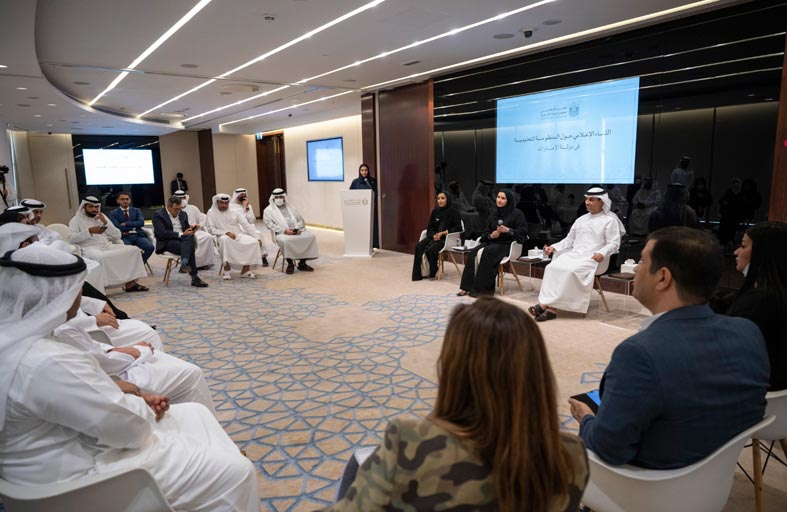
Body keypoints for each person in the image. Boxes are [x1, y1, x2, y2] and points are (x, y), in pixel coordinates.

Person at [0, 244, 259, 511]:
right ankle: (223, 463)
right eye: (77, 288)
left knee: (195, 413)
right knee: (236, 472)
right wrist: (139, 400)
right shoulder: (50, 360)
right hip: (80, 480)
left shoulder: (14, 340)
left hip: (46, 461)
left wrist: (124, 392)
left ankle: (218, 451)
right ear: (62, 295)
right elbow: (129, 430)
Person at [323, 297, 588, 511]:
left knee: (356, 467)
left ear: (453, 368)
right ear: (536, 370)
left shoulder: (409, 441)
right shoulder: (571, 455)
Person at [568, 227, 769, 469]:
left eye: (643, 261)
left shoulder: (639, 353)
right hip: (717, 475)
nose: (636, 269)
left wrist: (586, 418)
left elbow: (608, 448)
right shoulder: (748, 331)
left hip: (647, 481)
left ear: (663, 278)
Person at [530, 187, 623, 322]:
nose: (587, 202)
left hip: (594, 258)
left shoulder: (610, 221)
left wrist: (602, 253)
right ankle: (549, 306)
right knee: (552, 267)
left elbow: (614, 243)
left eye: (591, 200)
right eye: (586, 199)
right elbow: (569, 240)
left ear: (601, 202)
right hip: (575, 255)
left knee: (570, 271)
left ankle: (548, 307)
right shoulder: (580, 220)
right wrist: (554, 247)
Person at [727, 222, 787, 390]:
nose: (736, 252)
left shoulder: (758, 302)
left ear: (763, 253)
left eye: (743, 246)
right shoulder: (772, 296)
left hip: (752, 391)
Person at [67, 196, 148, 292]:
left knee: (134, 250)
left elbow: (117, 235)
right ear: (84, 207)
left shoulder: (101, 217)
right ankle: (103, 286)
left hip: (107, 246)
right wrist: (89, 231)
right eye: (91, 207)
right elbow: (71, 239)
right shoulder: (76, 220)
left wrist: (105, 222)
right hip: (90, 248)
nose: (94, 209)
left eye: (96, 207)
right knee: (102, 257)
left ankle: (131, 284)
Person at [457, 189, 527, 297]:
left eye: (503, 198)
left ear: (508, 200)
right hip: (493, 241)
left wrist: (508, 230)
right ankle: (466, 287)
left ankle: (482, 291)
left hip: (507, 244)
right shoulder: (494, 213)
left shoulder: (517, 214)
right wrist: (491, 235)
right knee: (473, 253)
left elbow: (523, 233)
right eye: (498, 197)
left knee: (488, 252)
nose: (499, 200)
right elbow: (485, 232)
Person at [153, 196, 209, 287]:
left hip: (183, 240)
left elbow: (186, 228)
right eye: (176, 209)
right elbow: (161, 233)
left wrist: (192, 229)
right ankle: (194, 277)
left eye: (180, 209)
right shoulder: (158, 215)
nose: (178, 211)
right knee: (189, 247)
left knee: (189, 238)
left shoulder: (183, 214)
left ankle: (184, 263)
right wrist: (181, 234)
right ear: (169, 206)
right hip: (167, 241)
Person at [263, 188, 319, 275]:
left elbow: (300, 220)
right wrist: (284, 231)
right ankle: (290, 264)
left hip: (296, 230)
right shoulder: (268, 210)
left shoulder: (291, 207)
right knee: (287, 241)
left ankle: (302, 263)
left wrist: (297, 228)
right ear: (273, 198)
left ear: (284, 197)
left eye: (281, 196)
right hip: (281, 233)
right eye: (277, 197)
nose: (279, 199)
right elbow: (269, 224)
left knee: (310, 237)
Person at [206, 193, 262, 280]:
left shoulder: (234, 211)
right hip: (222, 236)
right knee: (224, 240)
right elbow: (211, 229)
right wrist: (226, 232)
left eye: (226, 203)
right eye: (222, 203)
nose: (224, 205)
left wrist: (257, 237)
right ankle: (226, 269)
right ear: (217, 202)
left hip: (238, 235)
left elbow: (246, 225)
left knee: (254, 242)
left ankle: (245, 270)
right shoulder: (211, 212)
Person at [411, 191, 462, 281]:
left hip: (446, 239)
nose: (440, 201)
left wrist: (443, 233)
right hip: (434, 237)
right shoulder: (435, 212)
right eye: (438, 198)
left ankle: (433, 270)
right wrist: (434, 235)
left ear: (447, 199)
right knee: (419, 246)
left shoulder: (454, 212)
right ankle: (418, 274)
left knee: (431, 249)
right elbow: (430, 227)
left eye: (443, 198)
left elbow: (458, 227)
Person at [173, 190, 217, 269]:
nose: (182, 200)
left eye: (183, 198)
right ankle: (192, 264)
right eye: (179, 198)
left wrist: (198, 225)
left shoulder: (193, 208)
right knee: (192, 239)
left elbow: (203, 219)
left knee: (208, 237)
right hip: (183, 233)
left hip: (196, 231)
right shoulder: (174, 210)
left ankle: (204, 263)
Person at [108, 191, 154, 264]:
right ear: (118, 201)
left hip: (138, 235)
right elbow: (118, 227)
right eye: (122, 199)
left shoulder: (136, 210)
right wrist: (134, 226)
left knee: (150, 247)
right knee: (128, 252)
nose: (125, 201)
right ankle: (132, 266)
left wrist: (126, 223)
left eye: (127, 199)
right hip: (124, 236)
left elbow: (141, 223)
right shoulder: (113, 213)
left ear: (130, 200)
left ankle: (140, 264)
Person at [231, 187, 269, 266]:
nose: (243, 197)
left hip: (249, 227)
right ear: (236, 196)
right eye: (241, 195)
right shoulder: (231, 207)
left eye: (244, 195)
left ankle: (263, 256)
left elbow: (252, 220)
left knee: (259, 233)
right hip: (238, 229)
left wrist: (246, 208)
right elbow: (238, 221)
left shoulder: (248, 206)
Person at [349, 163, 379, 249]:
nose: (364, 172)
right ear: (359, 171)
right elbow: (350, 194)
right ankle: (361, 244)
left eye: (366, 170)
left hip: (370, 209)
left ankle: (373, 244)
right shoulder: (355, 182)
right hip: (359, 210)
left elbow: (376, 193)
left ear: (368, 171)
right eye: (362, 170)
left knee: (371, 227)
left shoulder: (372, 181)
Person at [718, 177, 745, 245]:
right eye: (734, 183)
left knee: (732, 227)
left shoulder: (741, 195)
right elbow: (721, 201)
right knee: (723, 226)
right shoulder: (728, 192)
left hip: (735, 216)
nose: (736, 185)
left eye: (737, 183)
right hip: (726, 214)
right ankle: (722, 240)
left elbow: (742, 205)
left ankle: (730, 240)